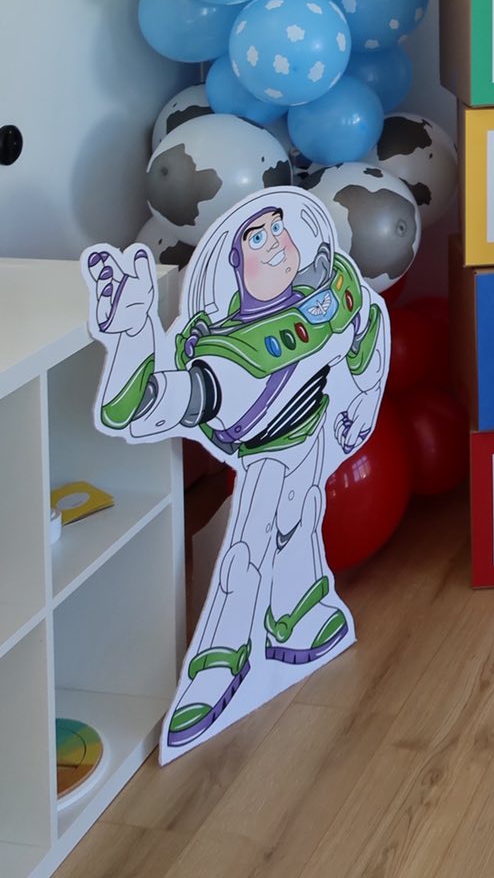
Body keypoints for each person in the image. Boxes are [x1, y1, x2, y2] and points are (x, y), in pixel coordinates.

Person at [86, 188, 387, 753]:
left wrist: (359, 405)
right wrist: (133, 334)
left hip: (313, 443)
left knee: (301, 529)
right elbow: (142, 406)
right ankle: (218, 662)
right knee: (248, 550)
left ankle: (297, 614)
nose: (274, 241)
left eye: (278, 228)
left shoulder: (329, 294)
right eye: (256, 237)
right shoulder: (228, 360)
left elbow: (363, 335)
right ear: (233, 262)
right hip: (266, 460)